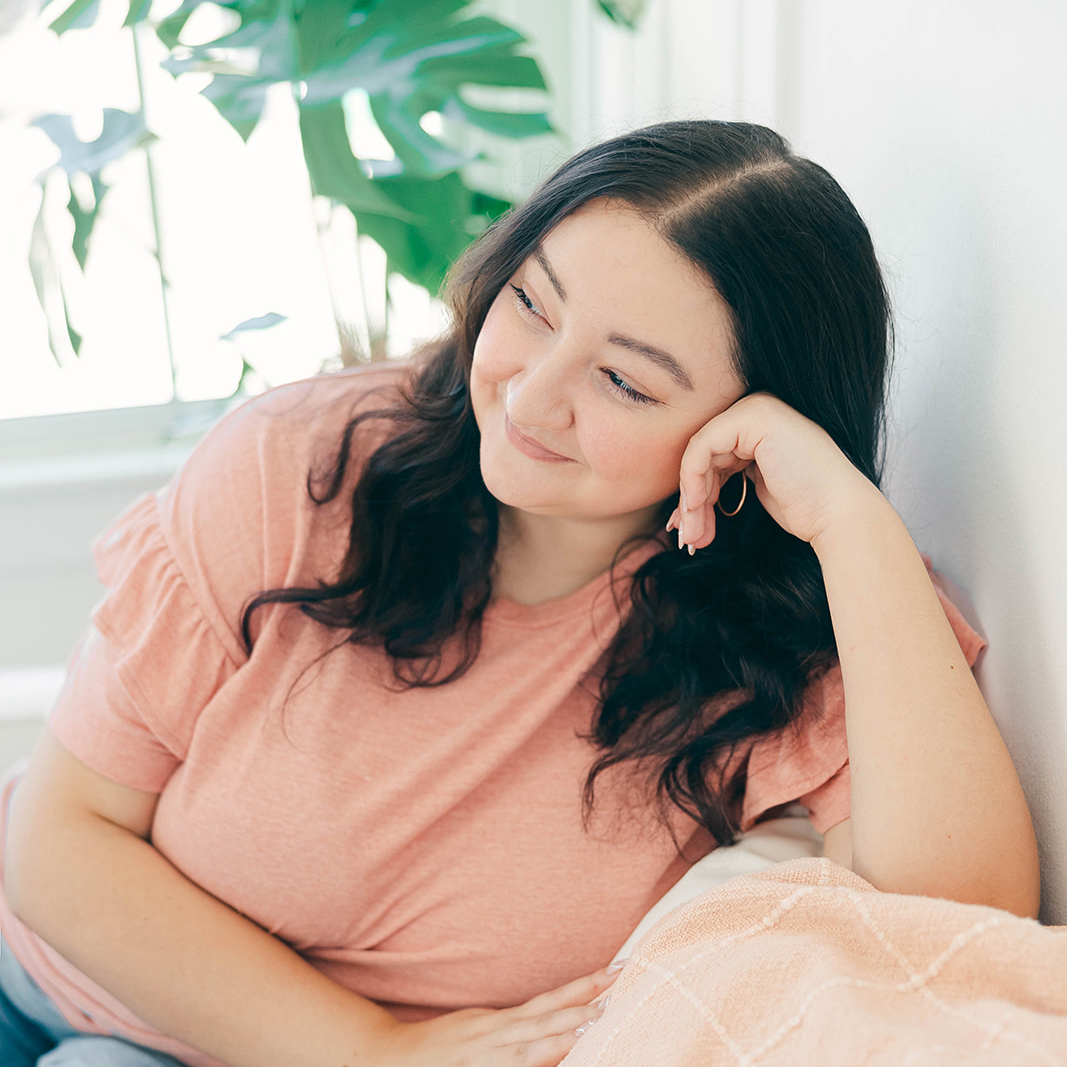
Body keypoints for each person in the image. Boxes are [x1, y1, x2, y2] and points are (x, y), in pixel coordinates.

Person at [0, 120, 1039, 1067]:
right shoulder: (302, 465)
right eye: (532, 305)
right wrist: (370, 1047)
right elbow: (56, 839)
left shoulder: (784, 632)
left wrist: (845, 520)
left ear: (751, 421)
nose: (532, 395)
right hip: (44, 970)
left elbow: (959, 928)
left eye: (624, 381)